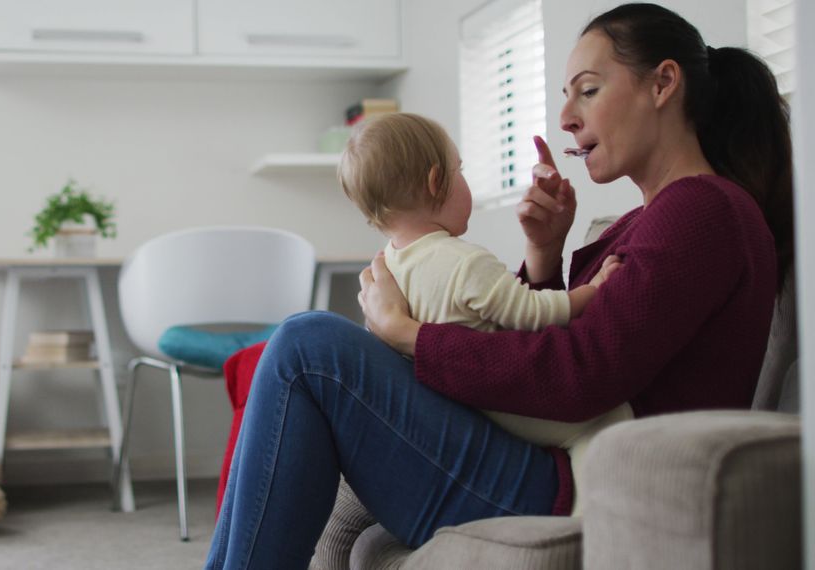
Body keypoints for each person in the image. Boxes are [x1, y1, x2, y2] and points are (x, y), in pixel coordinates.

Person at [206, 3, 792, 569]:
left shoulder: (702, 210)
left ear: (664, 84)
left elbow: (580, 377)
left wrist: (407, 334)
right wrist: (545, 253)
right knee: (299, 348)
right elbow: (570, 339)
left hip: (572, 485)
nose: (566, 116)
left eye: (587, 90)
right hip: (551, 460)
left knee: (308, 348)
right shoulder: (661, 216)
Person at [338, 111, 630, 463]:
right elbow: (530, 313)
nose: (464, 180)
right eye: (459, 170)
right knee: (612, 419)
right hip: (511, 407)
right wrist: (593, 290)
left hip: (459, 411)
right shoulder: (465, 263)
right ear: (435, 181)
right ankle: (588, 512)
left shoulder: (386, 269)